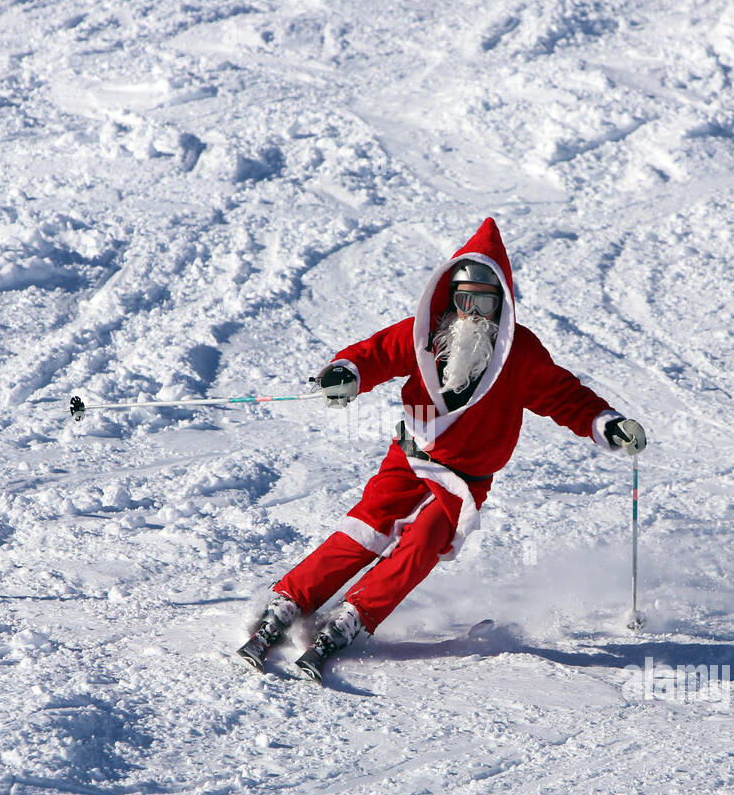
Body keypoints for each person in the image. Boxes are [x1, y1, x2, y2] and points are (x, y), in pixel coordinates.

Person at [237, 217, 646, 681]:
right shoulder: (423, 334)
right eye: (464, 299)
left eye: (485, 302)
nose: (473, 313)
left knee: (423, 542)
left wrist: (605, 423)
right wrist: (345, 373)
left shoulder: (520, 352)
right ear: (452, 297)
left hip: (466, 479)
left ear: (502, 303)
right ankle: (289, 600)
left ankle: (355, 615)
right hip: (411, 456)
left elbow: (563, 395)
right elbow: (375, 354)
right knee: (367, 527)